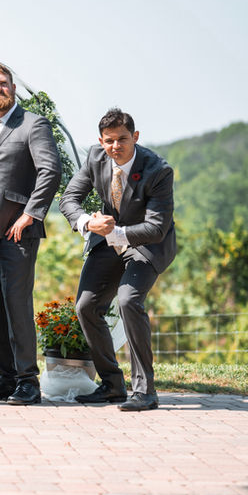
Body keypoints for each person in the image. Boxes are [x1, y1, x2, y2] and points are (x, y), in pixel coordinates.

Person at [60, 108, 176, 412]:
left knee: (128, 300)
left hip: (146, 245)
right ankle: (112, 385)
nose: (115, 146)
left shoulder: (158, 170)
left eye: (122, 139)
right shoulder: (95, 159)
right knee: (85, 306)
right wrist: (87, 222)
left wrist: (117, 232)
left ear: (135, 137)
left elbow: (156, 227)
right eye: (109, 140)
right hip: (106, 241)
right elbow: (68, 199)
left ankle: (145, 391)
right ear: (101, 140)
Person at [0, 64, 61, 406]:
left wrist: (31, 214)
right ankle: (5, 378)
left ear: (14, 88)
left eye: (4, 83)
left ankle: (27, 381)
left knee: (16, 305)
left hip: (18, 232)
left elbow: (51, 169)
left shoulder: (33, 124)